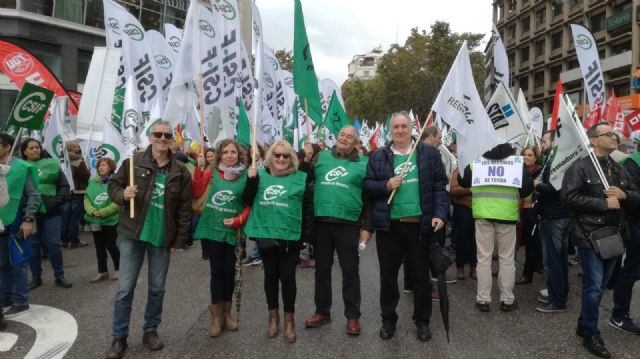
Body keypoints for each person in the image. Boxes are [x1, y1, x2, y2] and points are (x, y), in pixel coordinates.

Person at [106, 121, 192, 359]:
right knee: (125, 288)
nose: (163, 138)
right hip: (132, 234)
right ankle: (119, 336)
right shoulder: (133, 163)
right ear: (151, 136)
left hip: (161, 237)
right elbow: (113, 185)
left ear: (171, 139)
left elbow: (184, 209)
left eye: (167, 135)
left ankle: (150, 330)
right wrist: (122, 195)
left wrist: (181, 240)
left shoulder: (180, 171)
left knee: (157, 288)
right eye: (158, 134)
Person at [363, 111, 448, 342]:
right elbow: (368, 187)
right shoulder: (379, 156)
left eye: (404, 126)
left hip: (419, 227)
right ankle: (388, 320)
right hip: (389, 227)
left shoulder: (428, 153)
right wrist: (386, 185)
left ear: (411, 128)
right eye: (396, 127)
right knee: (388, 277)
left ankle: (422, 321)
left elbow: (440, 186)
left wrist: (441, 213)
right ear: (390, 130)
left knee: (420, 278)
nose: (400, 130)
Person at [562, 123, 640, 358]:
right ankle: (591, 334)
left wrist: (625, 195)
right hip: (589, 235)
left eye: (613, 134)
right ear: (594, 140)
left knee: (599, 286)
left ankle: (583, 323)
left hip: (614, 236)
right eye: (607, 134)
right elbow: (568, 197)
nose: (613, 136)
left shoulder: (619, 168)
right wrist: (602, 203)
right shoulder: (580, 167)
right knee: (594, 287)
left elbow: (636, 195)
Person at [300, 126, 372, 336]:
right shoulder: (320, 158)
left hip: (348, 225)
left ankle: (352, 317)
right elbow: (302, 181)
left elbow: (368, 199)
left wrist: (368, 226)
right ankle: (322, 312)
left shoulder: (364, 164)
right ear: (337, 137)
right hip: (321, 223)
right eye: (342, 134)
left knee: (350, 271)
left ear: (355, 143)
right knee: (321, 271)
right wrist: (305, 159)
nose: (344, 138)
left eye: (350, 137)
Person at [243, 140, 313, 343]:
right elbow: (247, 200)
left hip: (291, 236)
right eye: (277, 155)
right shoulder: (259, 174)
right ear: (270, 157)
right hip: (267, 234)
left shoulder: (301, 178)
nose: (281, 159)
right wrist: (250, 180)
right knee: (271, 277)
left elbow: (308, 208)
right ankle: (272, 317)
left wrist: (307, 236)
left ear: (291, 158)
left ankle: (289, 320)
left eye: (285, 155)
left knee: (288, 277)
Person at [458, 143, 533, 313]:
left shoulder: (476, 161)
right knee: (507, 259)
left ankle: (483, 299)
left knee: (483, 258)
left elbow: (462, 181)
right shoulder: (516, 163)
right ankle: (507, 299)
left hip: (483, 215)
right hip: (507, 215)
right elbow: (527, 189)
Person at [193, 139, 250, 337]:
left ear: (239, 154)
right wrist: (199, 172)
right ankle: (216, 317)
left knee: (230, 273)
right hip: (212, 231)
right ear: (220, 154)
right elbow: (197, 192)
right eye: (225, 152)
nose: (229, 155)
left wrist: (239, 219)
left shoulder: (245, 175)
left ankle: (227, 313)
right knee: (216, 272)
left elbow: (249, 203)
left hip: (233, 232)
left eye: (233, 152)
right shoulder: (210, 173)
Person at [22, 138, 72, 291]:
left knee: (54, 243)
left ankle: (59, 276)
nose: (35, 150)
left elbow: (64, 186)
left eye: (37, 147)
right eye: (31, 148)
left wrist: (56, 201)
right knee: (33, 245)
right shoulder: (19, 167)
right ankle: (36, 277)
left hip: (51, 211)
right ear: (24, 151)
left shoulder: (52, 164)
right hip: (29, 213)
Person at [0, 134, 40, 325]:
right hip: (0, 221)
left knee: (19, 261)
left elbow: (34, 196)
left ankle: (21, 299)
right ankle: (6, 296)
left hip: (18, 220)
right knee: (2, 263)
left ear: (7, 147)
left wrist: (28, 219)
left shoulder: (23, 168)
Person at [535, 132, 572, 313]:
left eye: (544, 141)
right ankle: (561, 293)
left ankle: (557, 301)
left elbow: (554, 188)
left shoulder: (556, 160)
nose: (541, 144)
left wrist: (537, 185)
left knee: (554, 260)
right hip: (562, 215)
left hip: (554, 217)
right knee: (560, 259)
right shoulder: (558, 158)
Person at [610, 138, 640, 334]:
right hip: (636, 223)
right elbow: (630, 195)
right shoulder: (632, 163)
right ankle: (619, 315)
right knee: (631, 271)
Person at [84, 157, 120, 283]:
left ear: (110, 167)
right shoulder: (93, 182)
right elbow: (87, 198)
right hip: (95, 220)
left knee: (111, 245)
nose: (101, 167)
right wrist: (91, 211)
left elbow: (117, 201)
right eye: (99, 165)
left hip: (110, 220)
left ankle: (119, 269)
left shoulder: (116, 182)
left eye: (104, 165)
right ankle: (102, 271)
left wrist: (104, 212)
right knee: (99, 246)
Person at [516, 147, 542, 284]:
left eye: (530, 155)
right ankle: (506, 269)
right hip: (516, 209)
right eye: (524, 154)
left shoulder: (539, 171)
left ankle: (528, 274)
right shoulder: (516, 168)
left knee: (530, 243)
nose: (526, 157)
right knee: (513, 241)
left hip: (530, 211)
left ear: (535, 158)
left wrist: (532, 184)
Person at [61, 141, 90, 248]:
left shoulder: (63, 161)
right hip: (78, 191)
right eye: (78, 146)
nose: (80, 148)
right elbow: (85, 176)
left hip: (67, 192)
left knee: (65, 217)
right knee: (75, 218)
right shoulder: (78, 161)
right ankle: (74, 240)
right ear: (72, 148)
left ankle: (64, 240)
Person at [450, 167, 476, 280]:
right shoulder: (459, 169)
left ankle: (473, 267)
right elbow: (453, 190)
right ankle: (460, 267)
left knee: (476, 240)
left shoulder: (482, 167)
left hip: (479, 208)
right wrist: (471, 189)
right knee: (461, 239)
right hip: (463, 208)